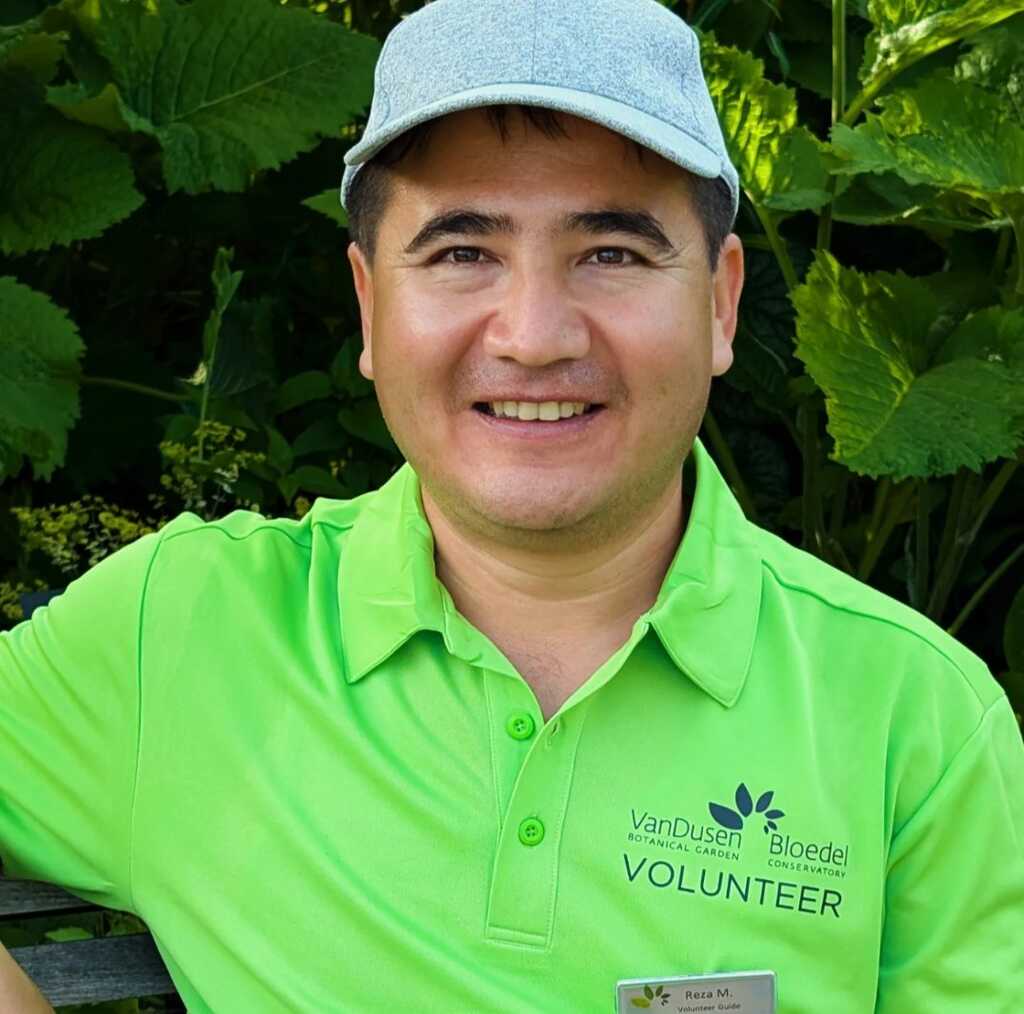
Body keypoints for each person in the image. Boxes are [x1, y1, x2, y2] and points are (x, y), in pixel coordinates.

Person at [2, 0, 1022, 1011]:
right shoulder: (181, 628)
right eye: (461, 253)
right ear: (368, 305)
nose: (534, 335)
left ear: (718, 303)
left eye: (612, 253)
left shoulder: (916, 718)